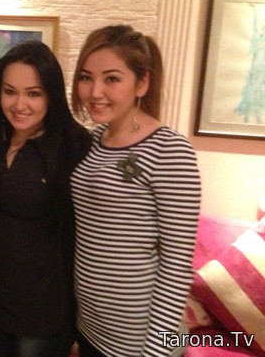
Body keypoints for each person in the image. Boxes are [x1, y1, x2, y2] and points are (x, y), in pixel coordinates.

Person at [70, 25, 201, 356]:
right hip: (91, 327)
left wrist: (156, 350)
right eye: (86, 77)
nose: (95, 91)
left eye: (112, 79)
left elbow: (176, 264)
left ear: (142, 83)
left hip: (139, 340)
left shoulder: (170, 150)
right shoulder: (92, 141)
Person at [0, 41, 92, 357]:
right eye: (10, 92)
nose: (19, 104)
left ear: (51, 95)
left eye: (33, 93)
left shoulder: (74, 147)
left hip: (44, 309)